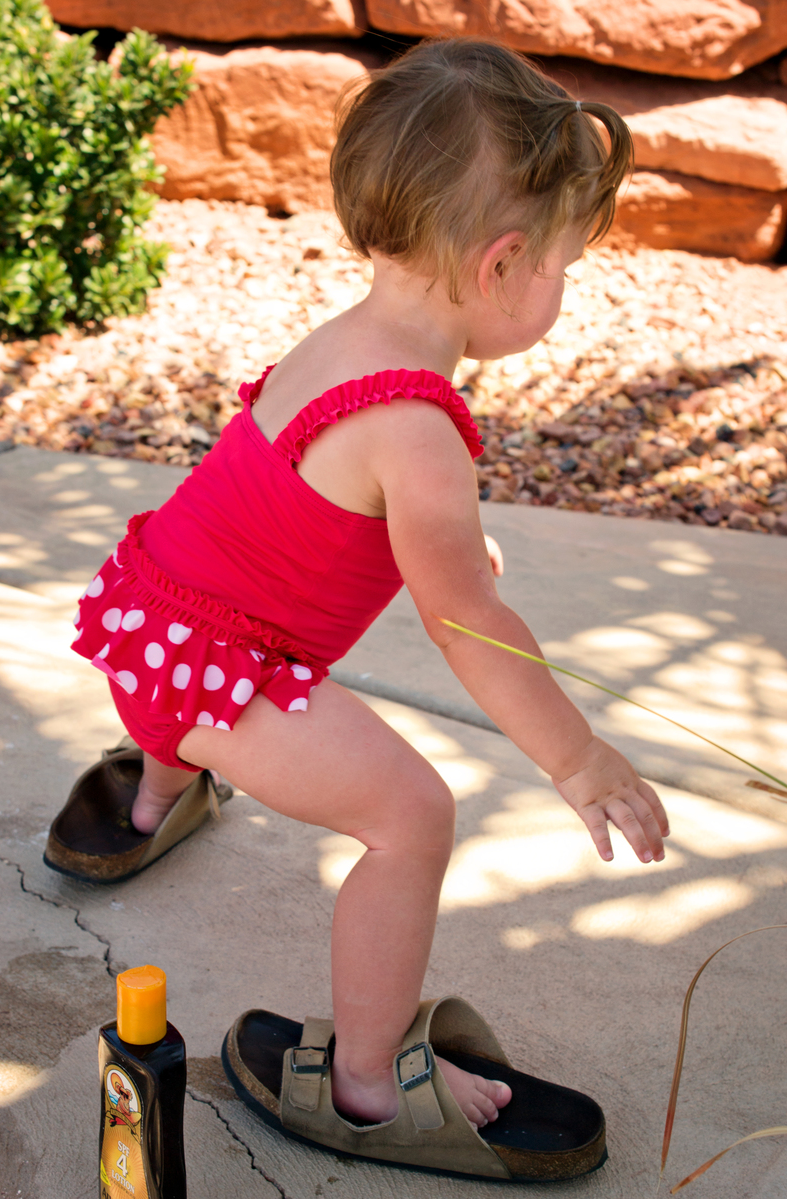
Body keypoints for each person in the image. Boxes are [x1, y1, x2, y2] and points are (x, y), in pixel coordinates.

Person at [71, 37, 669, 1142]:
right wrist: (576, 758)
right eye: (560, 267)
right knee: (412, 817)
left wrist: (436, 546)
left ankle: (152, 802)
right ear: (499, 267)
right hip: (221, 685)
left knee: (198, 704)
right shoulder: (421, 425)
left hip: (145, 639)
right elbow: (465, 625)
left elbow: (282, 506)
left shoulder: (344, 339)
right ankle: (364, 1082)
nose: (559, 288)